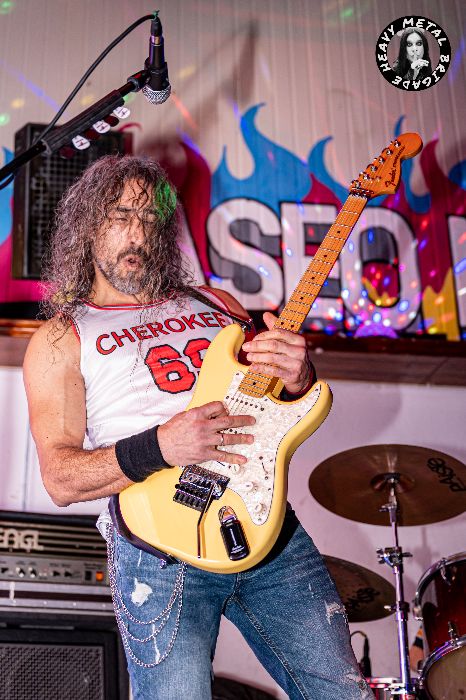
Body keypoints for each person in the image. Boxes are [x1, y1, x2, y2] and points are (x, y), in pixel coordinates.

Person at [23, 155, 373, 700]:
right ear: (87, 226)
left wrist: (297, 378)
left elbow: (272, 403)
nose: (137, 233)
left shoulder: (217, 304)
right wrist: (163, 446)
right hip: (156, 547)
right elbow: (61, 478)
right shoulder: (62, 336)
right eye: (120, 216)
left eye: (150, 218)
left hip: (266, 524)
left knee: (344, 694)